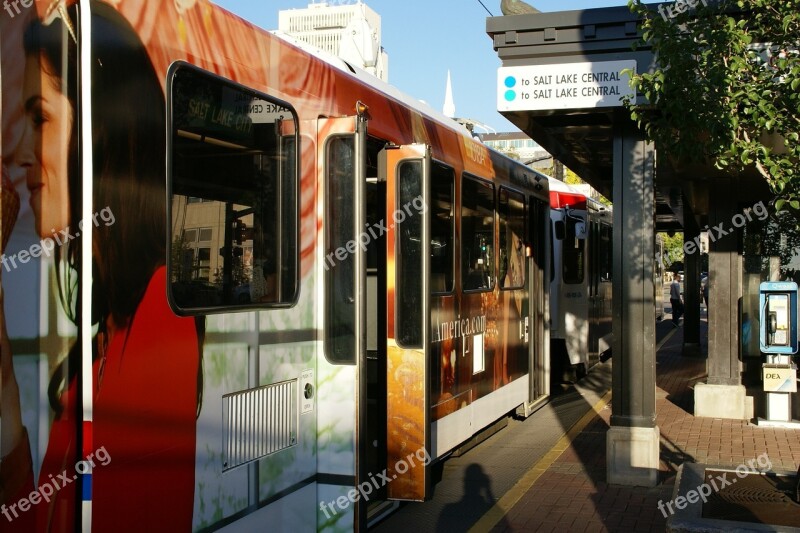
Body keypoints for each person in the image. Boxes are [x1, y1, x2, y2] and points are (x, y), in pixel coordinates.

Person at [0, 3, 202, 530]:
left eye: (39, 118)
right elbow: (38, 513)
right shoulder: (99, 346)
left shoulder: (160, 313)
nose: (16, 151)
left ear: (99, 132)